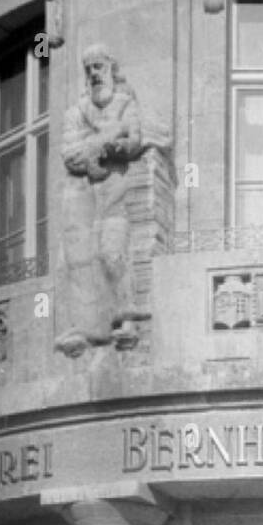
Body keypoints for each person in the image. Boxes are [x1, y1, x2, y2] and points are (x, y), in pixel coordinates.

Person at [56, 45, 169, 356]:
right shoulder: (76, 112)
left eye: (99, 67)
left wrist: (104, 146)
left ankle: (127, 317)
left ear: (111, 68)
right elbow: (70, 155)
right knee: (78, 259)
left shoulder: (124, 103)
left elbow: (132, 141)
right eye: (89, 68)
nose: (94, 73)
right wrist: (105, 139)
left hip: (114, 192)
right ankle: (86, 325)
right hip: (82, 198)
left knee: (112, 253)